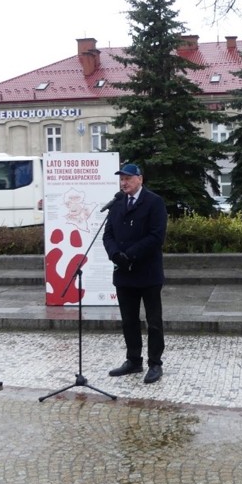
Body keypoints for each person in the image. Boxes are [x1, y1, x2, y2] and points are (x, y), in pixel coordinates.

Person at [103, 163, 168, 384]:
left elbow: (156, 236)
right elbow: (107, 234)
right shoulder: (117, 203)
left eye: (128, 178)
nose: (124, 183)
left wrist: (129, 255)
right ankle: (133, 360)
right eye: (121, 179)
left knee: (154, 321)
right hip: (124, 273)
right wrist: (115, 255)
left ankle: (155, 363)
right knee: (128, 320)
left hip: (147, 272)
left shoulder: (154, 202)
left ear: (140, 179)